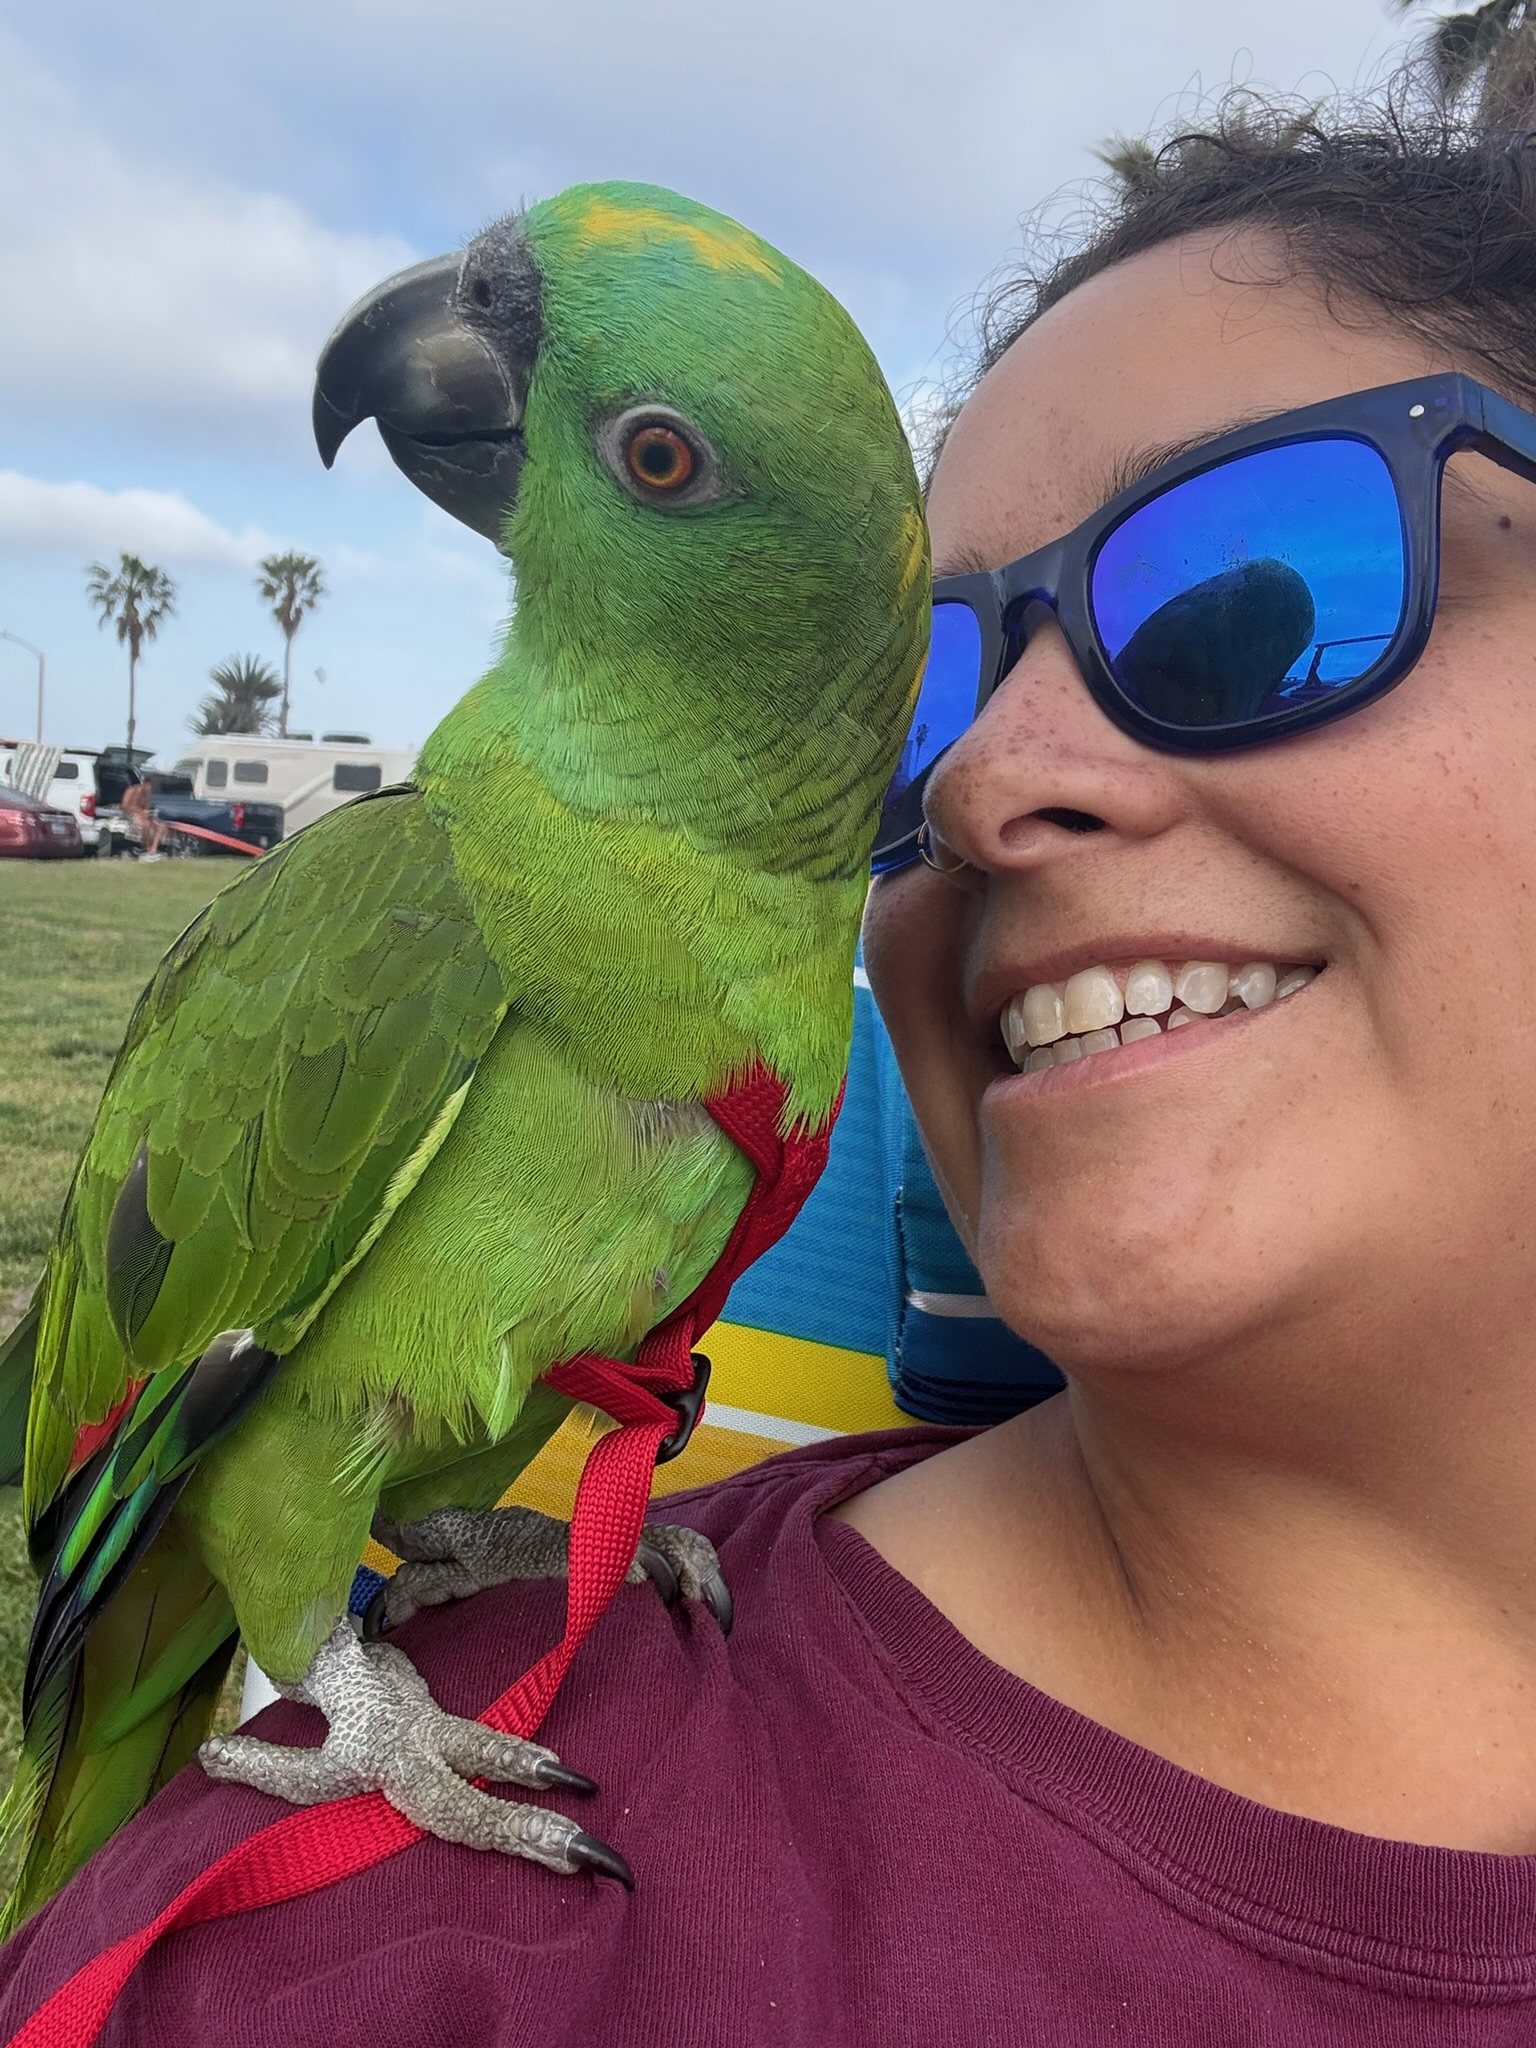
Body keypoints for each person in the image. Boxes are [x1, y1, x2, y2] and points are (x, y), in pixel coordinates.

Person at [6, 81, 1536, 2045]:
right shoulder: (351, 1978)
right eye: (948, 671)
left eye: (1260, 595)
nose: (993, 779)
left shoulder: (783, 1053)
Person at [119, 774, 166, 859]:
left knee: (161, 826)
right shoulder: (132, 790)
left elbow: (146, 807)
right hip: (130, 814)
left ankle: (154, 848)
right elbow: (124, 806)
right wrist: (140, 812)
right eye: (149, 787)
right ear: (144, 784)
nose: (149, 790)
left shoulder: (147, 794)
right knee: (146, 824)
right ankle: (147, 847)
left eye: (151, 788)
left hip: (142, 814)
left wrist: (148, 813)